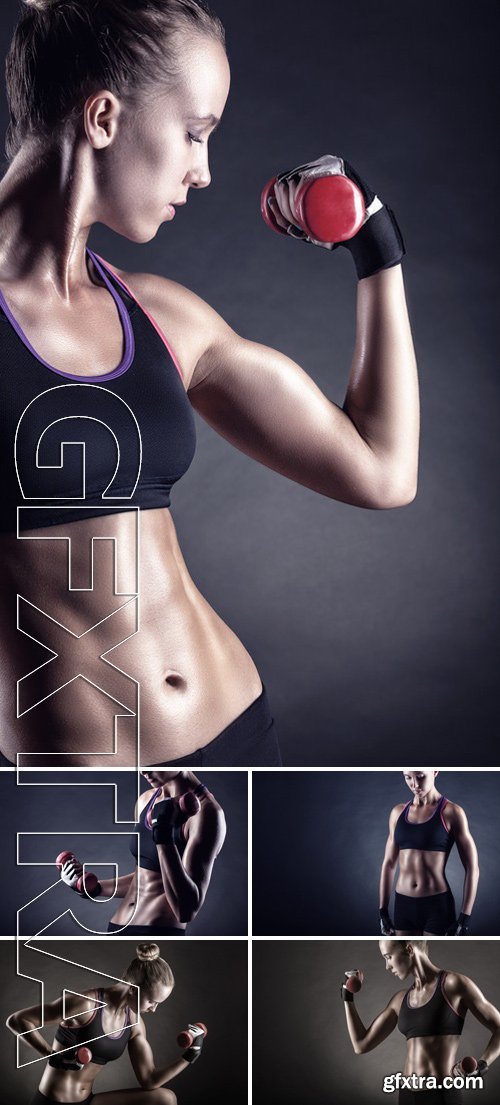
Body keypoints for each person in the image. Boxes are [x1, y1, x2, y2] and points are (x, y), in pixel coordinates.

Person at [0, 0, 419, 768]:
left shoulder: (162, 318)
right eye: (194, 133)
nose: (204, 170)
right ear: (102, 117)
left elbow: (382, 469)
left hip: (241, 736)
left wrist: (377, 251)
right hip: (87, 783)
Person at [6, 942, 203, 1104]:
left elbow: (149, 1080)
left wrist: (190, 1055)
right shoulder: (86, 1004)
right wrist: (53, 1055)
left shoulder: (134, 1024)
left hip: (87, 1101)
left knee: (165, 1099)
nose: (154, 1009)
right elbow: (18, 1021)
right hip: (53, 1101)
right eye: (152, 1001)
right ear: (133, 989)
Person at [60, 770, 226, 934]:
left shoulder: (207, 813)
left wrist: (164, 835)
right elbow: (145, 877)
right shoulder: (145, 800)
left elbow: (186, 910)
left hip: (156, 930)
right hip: (117, 927)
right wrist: (94, 888)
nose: (144, 770)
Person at [342, 940, 500, 1104]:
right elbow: (361, 1045)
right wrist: (347, 997)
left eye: (389, 957)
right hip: (407, 1096)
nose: (387, 966)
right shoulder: (400, 999)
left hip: (441, 1096)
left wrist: (482, 1065)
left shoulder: (453, 984)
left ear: (409, 949)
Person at [379, 770, 479, 937]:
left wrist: (464, 918)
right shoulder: (397, 813)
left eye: (420, 776)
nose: (415, 784)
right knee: (407, 956)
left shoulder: (452, 812)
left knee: (433, 953)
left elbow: (472, 867)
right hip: (403, 904)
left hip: (436, 904)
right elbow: (389, 863)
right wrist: (382, 910)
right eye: (408, 777)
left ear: (435, 771)